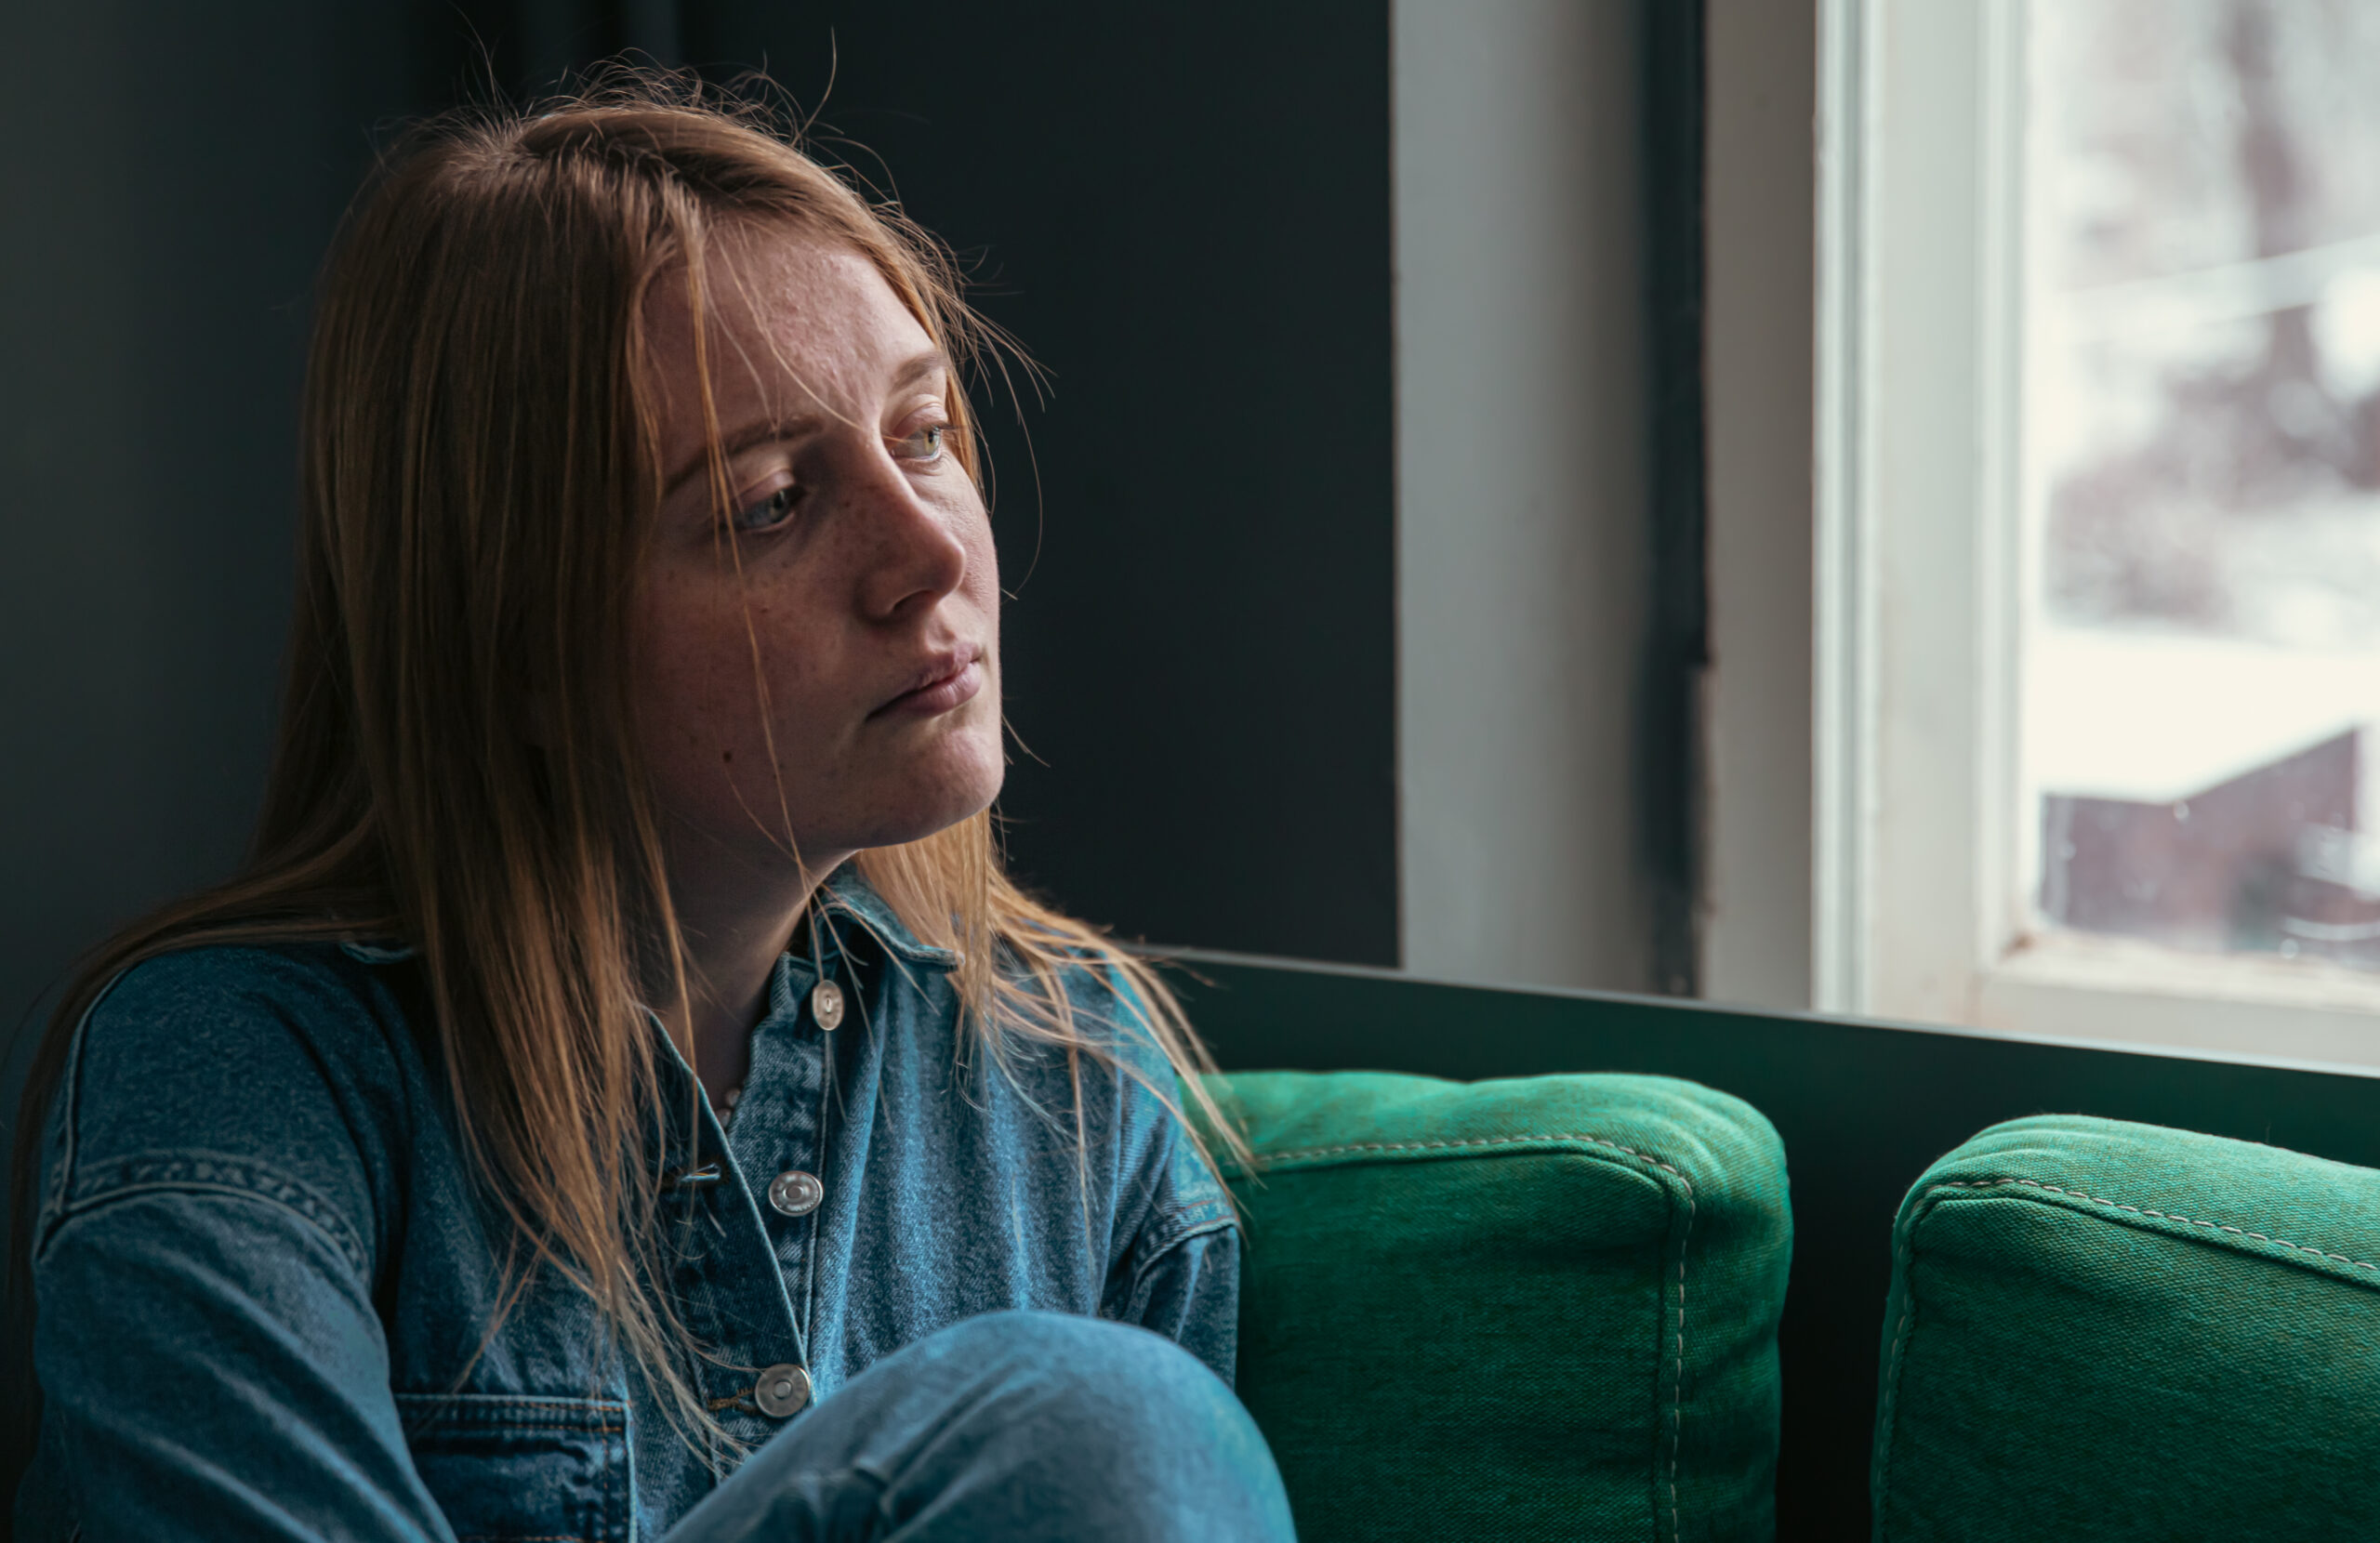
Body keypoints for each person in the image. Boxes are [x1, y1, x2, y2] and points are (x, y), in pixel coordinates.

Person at [7, 75, 1296, 1543]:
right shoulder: (243, 1073)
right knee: (1096, 1422)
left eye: (924, 431)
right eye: (768, 505)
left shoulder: (1070, 1080)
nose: (929, 556)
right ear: (519, 647)